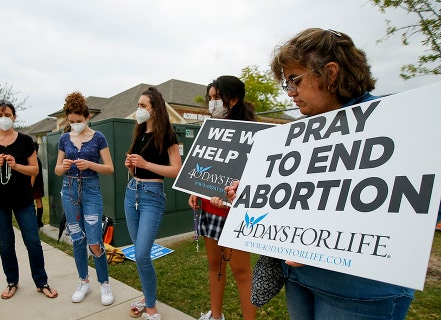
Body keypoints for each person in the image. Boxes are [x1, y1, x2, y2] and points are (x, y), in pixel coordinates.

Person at [227, 28, 415, 319]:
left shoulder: (398, 123)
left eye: (295, 80)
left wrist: (319, 244)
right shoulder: (300, 134)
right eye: (286, 83)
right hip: (300, 280)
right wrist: (254, 192)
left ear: (330, 73)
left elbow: (405, 207)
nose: (290, 92)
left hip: (359, 293)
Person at [188, 76, 256, 320]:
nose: (213, 103)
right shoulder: (209, 130)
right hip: (210, 209)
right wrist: (195, 190)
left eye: (218, 98)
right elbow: (200, 168)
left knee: (241, 271)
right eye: (211, 98)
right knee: (215, 266)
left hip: (237, 213)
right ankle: (215, 316)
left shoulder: (253, 134)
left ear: (234, 99)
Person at [0, 101, 58, 300]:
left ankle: (41, 281)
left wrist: (16, 166)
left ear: (14, 117)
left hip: (23, 200)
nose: (3, 117)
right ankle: (12, 281)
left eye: (7, 113)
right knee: (6, 243)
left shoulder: (25, 141)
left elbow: (34, 170)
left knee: (33, 242)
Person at [125, 87, 182, 320]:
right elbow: (136, 164)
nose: (138, 110)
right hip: (131, 194)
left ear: (155, 109)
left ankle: (150, 307)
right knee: (139, 252)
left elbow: (176, 170)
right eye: (138, 105)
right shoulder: (139, 133)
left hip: (152, 196)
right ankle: (147, 297)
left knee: (141, 254)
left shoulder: (168, 135)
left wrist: (146, 164)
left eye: (143, 106)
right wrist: (131, 164)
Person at [55, 91, 115, 306]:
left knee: (94, 240)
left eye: (78, 121)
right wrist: (63, 166)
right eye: (71, 121)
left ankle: (104, 284)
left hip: (91, 189)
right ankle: (83, 281)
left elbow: (109, 168)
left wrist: (90, 164)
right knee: (77, 239)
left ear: (87, 117)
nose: (74, 125)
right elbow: (57, 170)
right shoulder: (64, 138)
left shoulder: (99, 137)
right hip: (69, 188)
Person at [32, 142, 45, 228]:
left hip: (35, 184)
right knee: (38, 201)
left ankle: (38, 221)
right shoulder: (37, 159)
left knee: (37, 201)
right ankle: (38, 221)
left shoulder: (35, 160)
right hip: (38, 184)